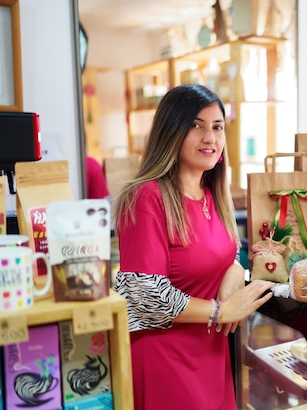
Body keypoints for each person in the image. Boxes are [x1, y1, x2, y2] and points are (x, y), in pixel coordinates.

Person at [112, 84, 274, 409]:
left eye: (217, 127)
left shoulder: (213, 194)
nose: (210, 138)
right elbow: (145, 294)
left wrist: (235, 270)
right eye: (196, 125)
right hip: (165, 363)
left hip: (211, 356)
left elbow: (227, 252)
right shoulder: (147, 198)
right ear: (171, 131)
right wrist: (222, 310)